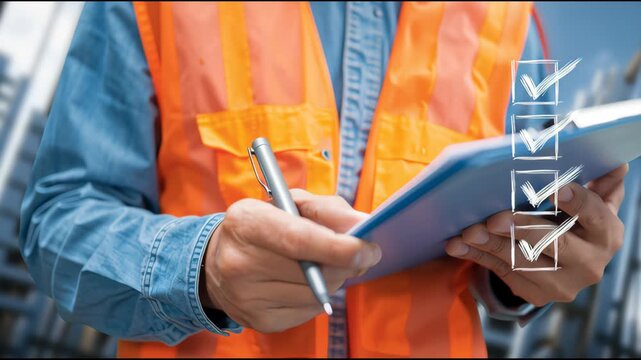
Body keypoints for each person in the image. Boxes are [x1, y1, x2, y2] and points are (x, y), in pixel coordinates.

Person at [19, 2, 627, 358]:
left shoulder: (510, 17)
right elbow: (60, 217)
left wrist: (536, 263)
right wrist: (201, 271)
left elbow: (510, 230)